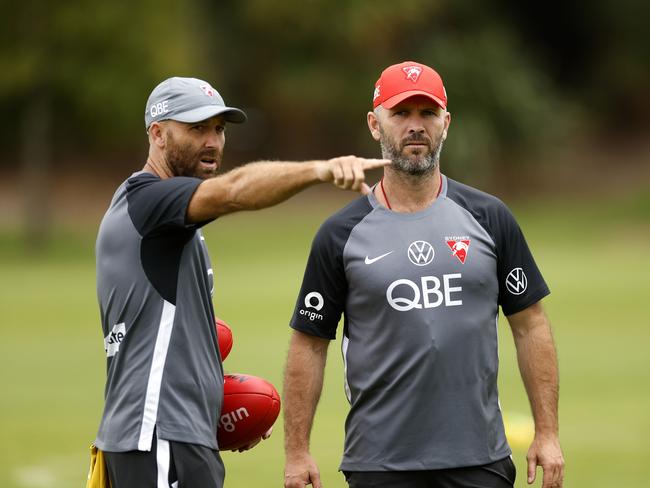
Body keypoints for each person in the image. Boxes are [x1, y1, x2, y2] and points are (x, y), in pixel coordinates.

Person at [92, 76, 388, 488]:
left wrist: (215, 403)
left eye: (218, 129)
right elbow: (232, 192)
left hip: (169, 436)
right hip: (159, 440)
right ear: (158, 134)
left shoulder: (155, 215)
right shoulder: (150, 203)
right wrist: (318, 170)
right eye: (196, 129)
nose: (212, 142)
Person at [283, 61, 565, 488]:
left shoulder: (489, 217)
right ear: (375, 125)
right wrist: (297, 451)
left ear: (446, 123)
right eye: (401, 114)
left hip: (480, 459)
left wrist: (547, 433)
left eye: (427, 114)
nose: (415, 126)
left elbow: (531, 326)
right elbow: (309, 344)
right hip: (379, 464)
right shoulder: (340, 234)